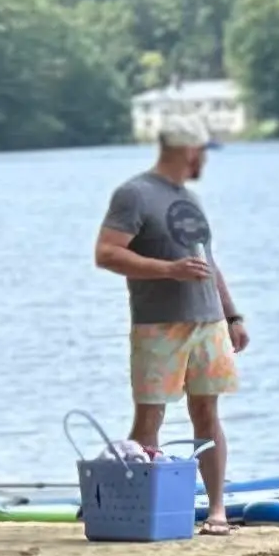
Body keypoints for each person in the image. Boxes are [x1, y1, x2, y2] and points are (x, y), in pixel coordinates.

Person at [95, 118, 250, 533]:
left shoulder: (190, 199)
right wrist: (168, 269)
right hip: (159, 325)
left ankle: (217, 509)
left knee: (208, 412)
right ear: (188, 151)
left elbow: (207, 261)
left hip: (209, 322)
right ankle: (139, 507)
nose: (204, 160)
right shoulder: (134, 194)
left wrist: (231, 314)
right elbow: (107, 253)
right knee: (151, 416)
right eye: (202, 152)